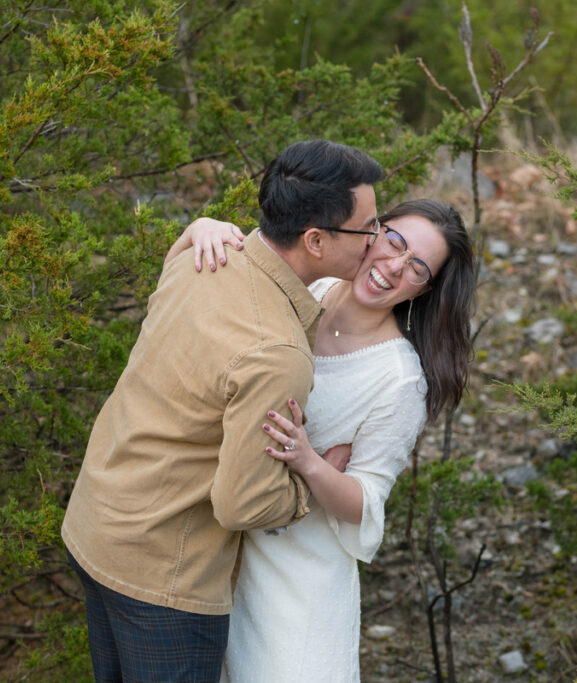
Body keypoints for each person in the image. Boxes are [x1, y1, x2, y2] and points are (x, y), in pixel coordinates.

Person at [61, 139, 385, 682]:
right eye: (368, 228)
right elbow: (244, 504)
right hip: (164, 575)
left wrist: (198, 224)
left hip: (95, 525)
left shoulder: (204, 255)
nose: (377, 241)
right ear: (315, 240)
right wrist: (315, 480)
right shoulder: (274, 351)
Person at [167, 198, 476, 682]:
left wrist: (308, 461)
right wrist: (202, 227)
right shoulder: (312, 284)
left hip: (298, 584)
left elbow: (367, 501)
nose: (394, 267)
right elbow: (228, 277)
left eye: (417, 267)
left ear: (426, 289)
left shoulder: (398, 379)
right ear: (371, 231)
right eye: (393, 241)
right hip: (219, 554)